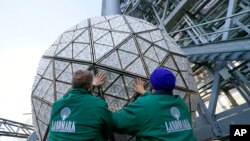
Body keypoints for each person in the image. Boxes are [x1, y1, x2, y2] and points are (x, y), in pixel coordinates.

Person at [112, 68, 197, 141]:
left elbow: (116, 122)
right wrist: (145, 93)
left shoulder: (144, 105)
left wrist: (106, 109)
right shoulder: (180, 103)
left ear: (152, 85)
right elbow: (160, 104)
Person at [48, 70, 112, 141]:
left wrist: (91, 85)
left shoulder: (56, 105)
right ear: (89, 85)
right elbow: (108, 133)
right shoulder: (99, 104)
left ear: (72, 84)